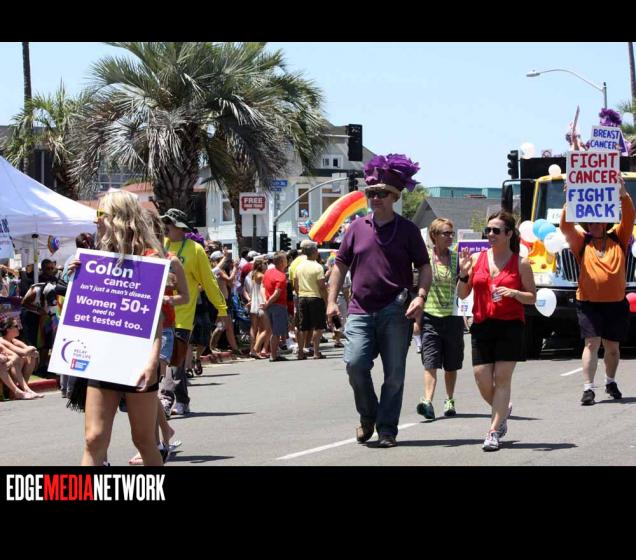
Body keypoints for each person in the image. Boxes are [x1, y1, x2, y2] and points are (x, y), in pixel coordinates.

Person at [327, 153, 431, 448]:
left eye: (381, 193)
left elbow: (425, 267)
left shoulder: (408, 230)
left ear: (395, 196)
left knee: (394, 375)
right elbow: (340, 266)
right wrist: (331, 302)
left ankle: (387, 429)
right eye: (371, 193)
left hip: (396, 310)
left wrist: (420, 297)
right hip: (360, 310)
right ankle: (368, 415)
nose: (375, 198)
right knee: (355, 364)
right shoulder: (356, 228)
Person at [80, 190, 165, 466]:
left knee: (144, 440)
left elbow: (156, 318)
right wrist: (77, 278)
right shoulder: (97, 259)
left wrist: (152, 361)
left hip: (138, 358)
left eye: (100, 214)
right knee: (93, 439)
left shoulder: (150, 258)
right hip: (102, 358)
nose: (96, 220)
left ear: (119, 218)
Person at [457, 210, 536, 452]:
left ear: (509, 234)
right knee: (481, 378)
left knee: (502, 379)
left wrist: (514, 293)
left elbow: (532, 297)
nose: (490, 234)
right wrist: (463, 274)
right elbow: (462, 294)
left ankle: (493, 432)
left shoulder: (521, 263)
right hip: (482, 324)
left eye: (496, 230)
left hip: (510, 325)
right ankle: (503, 410)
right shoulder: (477, 259)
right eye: (488, 230)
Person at [559, 175, 634, 405]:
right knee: (591, 343)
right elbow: (565, 227)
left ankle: (610, 381)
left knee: (612, 348)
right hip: (588, 303)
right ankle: (588, 388)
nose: (595, 224)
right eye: (590, 221)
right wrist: (569, 199)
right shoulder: (582, 241)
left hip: (616, 303)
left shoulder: (618, 237)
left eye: (599, 220)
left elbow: (629, 216)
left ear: (606, 221)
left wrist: (623, 194)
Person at [128, 211, 189, 465]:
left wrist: (164, 298)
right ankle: (163, 433)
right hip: (136, 329)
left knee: (149, 386)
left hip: (163, 328)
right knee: (146, 390)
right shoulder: (132, 258)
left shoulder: (171, 260)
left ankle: (151, 444)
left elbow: (184, 296)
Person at [159, 209, 228, 417]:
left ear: (181, 228)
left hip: (182, 315)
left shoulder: (195, 250)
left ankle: (166, 398)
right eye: (164, 222)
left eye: (169, 223)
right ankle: (182, 400)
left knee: (174, 358)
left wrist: (222, 309)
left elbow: (208, 281)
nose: (165, 226)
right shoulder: (159, 246)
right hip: (160, 315)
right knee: (175, 361)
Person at [416, 218, 464, 420]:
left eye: (451, 233)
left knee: (451, 364)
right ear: (434, 235)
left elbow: (463, 290)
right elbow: (418, 288)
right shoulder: (425, 258)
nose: (450, 237)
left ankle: (449, 399)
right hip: (430, 316)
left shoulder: (456, 258)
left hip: (452, 317)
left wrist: (466, 273)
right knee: (431, 361)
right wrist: (417, 320)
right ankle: (427, 401)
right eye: (446, 233)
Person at [294, 241, 328, 360]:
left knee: (302, 327)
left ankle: (300, 352)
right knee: (318, 326)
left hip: (302, 297)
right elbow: (322, 286)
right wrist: (326, 300)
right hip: (315, 298)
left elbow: (296, 284)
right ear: (314, 252)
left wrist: (300, 294)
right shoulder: (317, 267)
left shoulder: (299, 266)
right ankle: (316, 352)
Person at [0, 316, 42, 399]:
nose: (19, 328)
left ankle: (24, 388)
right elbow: (23, 352)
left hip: (9, 367)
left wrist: (31, 351)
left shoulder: (14, 340)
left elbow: (34, 353)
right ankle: (22, 390)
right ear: (8, 329)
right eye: (16, 326)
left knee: (29, 357)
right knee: (20, 359)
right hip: (5, 367)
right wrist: (32, 348)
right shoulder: (2, 340)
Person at [262, 251, 289, 362]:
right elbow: (277, 293)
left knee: (273, 331)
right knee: (276, 332)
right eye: (286, 259)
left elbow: (262, 287)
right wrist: (268, 302)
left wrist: (265, 301)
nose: (287, 261)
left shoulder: (268, 272)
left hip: (269, 306)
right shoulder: (281, 276)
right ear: (282, 262)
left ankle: (274, 353)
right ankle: (273, 355)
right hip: (278, 305)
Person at [246, 258, 271, 358]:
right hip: (260, 303)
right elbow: (264, 289)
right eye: (265, 263)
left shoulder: (252, 275)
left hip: (254, 303)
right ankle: (255, 349)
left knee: (254, 328)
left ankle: (253, 349)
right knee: (267, 329)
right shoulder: (262, 276)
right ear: (261, 265)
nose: (266, 265)